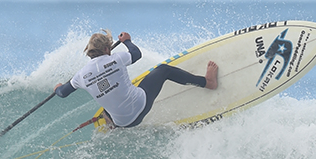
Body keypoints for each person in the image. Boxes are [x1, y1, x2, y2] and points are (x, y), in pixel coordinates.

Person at [54, 30, 218, 128]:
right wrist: (127, 41)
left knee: (107, 98)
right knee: (164, 70)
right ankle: (207, 82)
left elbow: (62, 93)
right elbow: (136, 54)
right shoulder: (116, 59)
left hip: (123, 123)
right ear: (106, 49)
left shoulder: (80, 76)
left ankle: (114, 127)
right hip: (141, 107)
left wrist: (58, 87)